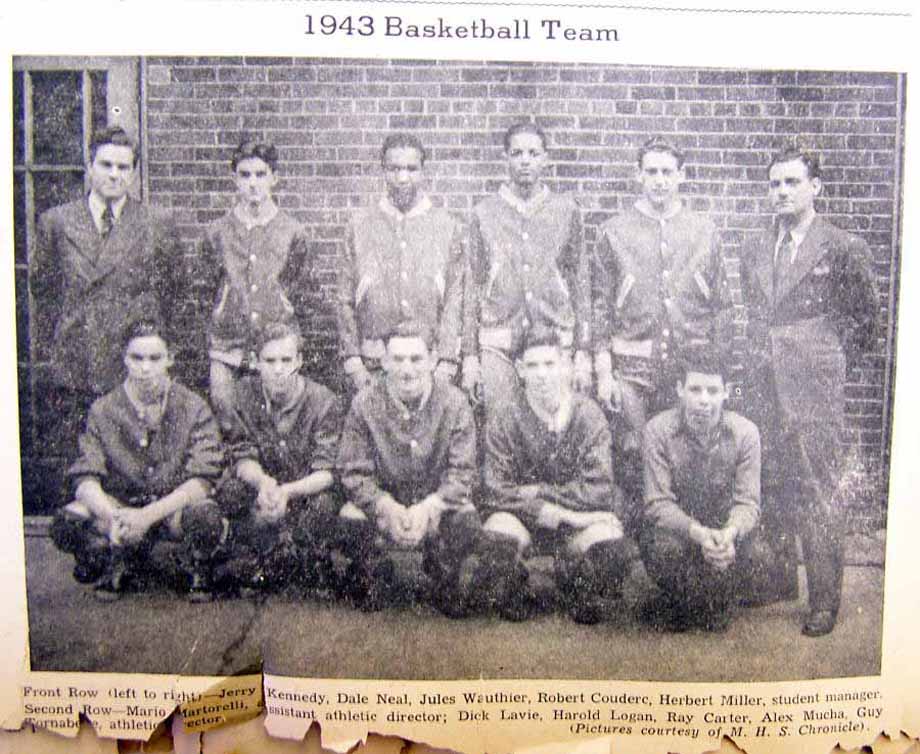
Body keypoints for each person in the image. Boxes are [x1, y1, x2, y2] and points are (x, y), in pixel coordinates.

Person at [739, 148, 879, 637]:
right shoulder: (755, 246)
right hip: (765, 380)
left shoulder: (841, 246)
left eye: (792, 182)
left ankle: (824, 600)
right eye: (775, 184)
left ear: (815, 187)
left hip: (814, 385)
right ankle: (777, 581)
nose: (782, 192)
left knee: (817, 489)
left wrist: (827, 362)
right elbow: (759, 313)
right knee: (773, 480)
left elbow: (864, 323)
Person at [30, 126, 184, 476]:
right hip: (77, 361)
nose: (114, 175)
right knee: (80, 465)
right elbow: (43, 291)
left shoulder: (156, 223)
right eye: (106, 165)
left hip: (129, 364)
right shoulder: (56, 222)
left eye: (124, 167)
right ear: (90, 166)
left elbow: (174, 293)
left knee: (126, 466)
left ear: (133, 172)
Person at [49, 319, 226, 602]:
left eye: (155, 358)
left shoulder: (193, 406)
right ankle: (114, 558)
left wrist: (147, 517)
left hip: (171, 509)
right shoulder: (103, 409)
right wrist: (113, 516)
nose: (145, 368)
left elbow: (204, 479)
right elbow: (85, 478)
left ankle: (196, 565)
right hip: (121, 508)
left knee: (205, 516)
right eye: (137, 358)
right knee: (67, 521)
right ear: (124, 359)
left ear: (170, 359)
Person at [477, 327, 630, 624]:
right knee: (497, 536)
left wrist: (537, 492)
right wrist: (566, 515)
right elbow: (497, 491)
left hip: (573, 524)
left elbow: (599, 488)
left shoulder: (588, 414)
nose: (542, 374)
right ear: (520, 369)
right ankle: (518, 583)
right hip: (527, 519)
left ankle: (572, 575)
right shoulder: (505, 416)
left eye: (550, 364)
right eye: (532, 366)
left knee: (612, 547)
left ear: (565, 365)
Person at [593, 137, 731, 453]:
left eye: (667, 172)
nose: (660, 181)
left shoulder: (704, 231)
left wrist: (719, 368)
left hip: (688, 367)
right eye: (652, 172)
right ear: (639, 175)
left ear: (681, 175)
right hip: (632, 369)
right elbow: (600, 306)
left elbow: (722, 307)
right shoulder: (613, 231)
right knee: (634, 451)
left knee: (684, 453)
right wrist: (603, 372)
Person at [336, 321, 480, 616]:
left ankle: (441, 573)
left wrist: (429, 507)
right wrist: (385, 505)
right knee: (349, 517)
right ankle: (374, 572)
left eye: (416, 359)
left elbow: (463, 473)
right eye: (398, 359)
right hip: (386, 509)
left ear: (432, 359)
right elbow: (353, 472)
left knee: (467, 518)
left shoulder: (455, 403)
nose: (407, 369)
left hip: (433, 507)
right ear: (385, 361)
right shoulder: (364, 404)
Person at [462, 123, 592, 418]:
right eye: (517, 153)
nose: (525, 160)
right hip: (499, 342)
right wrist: (470, 356)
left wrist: (583, 351)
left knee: (556, 423)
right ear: (505, 158)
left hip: (554, 339)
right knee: (501, 424)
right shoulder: (484, 213)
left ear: (545, 158)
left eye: (533, 153)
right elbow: (472, 286)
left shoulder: (566, 211)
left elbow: (580, 283)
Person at [640, 343, 761, 632]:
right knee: (663, 549)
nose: (703, 401)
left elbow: (748, 503)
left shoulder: (745, 433)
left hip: (722, 535)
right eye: (695, 390)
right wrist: (698, 533)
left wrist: (729, 535)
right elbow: (657, 503)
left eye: (712, 391)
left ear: (726, 392)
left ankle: (707, 597)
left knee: (760, 556)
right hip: (681, 534)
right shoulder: (657, 430)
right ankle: (683, 598)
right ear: (680, 389)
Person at [216, 322, 342, 594]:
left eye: (286, 360)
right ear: (256, 362)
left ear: (299, 361)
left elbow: (327, 470)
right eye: (269, 360)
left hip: (303, 492)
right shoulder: (243, 395)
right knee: (231, 491)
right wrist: (263, 483)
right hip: (264, 493)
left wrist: (289, 491)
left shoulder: (323, 401)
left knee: (325, 503)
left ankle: (312, 558)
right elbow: (241, 454)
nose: (278, 369)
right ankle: (253, 555)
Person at [336, 133, 465, 393]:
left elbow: (455, 297)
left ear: (423, 171)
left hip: (428, 365)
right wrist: (353, 362)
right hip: (373, 364)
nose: (403, 178)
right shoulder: (360, 225)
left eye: (411, 169)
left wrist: (447, 360)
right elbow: (344, 298)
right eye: (394, 169)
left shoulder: (446, 226)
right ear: (383, 171)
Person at [198, 139, 311, 430]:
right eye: (245, 175)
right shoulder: (217, 233)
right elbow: (205, 292)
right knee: (228, 422)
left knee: (276, 425)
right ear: (234, 178)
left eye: (260, 175)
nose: (253, 183)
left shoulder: (292, 232)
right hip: (228, 350)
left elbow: (302, 293)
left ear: (274, 177)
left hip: (276, 351)